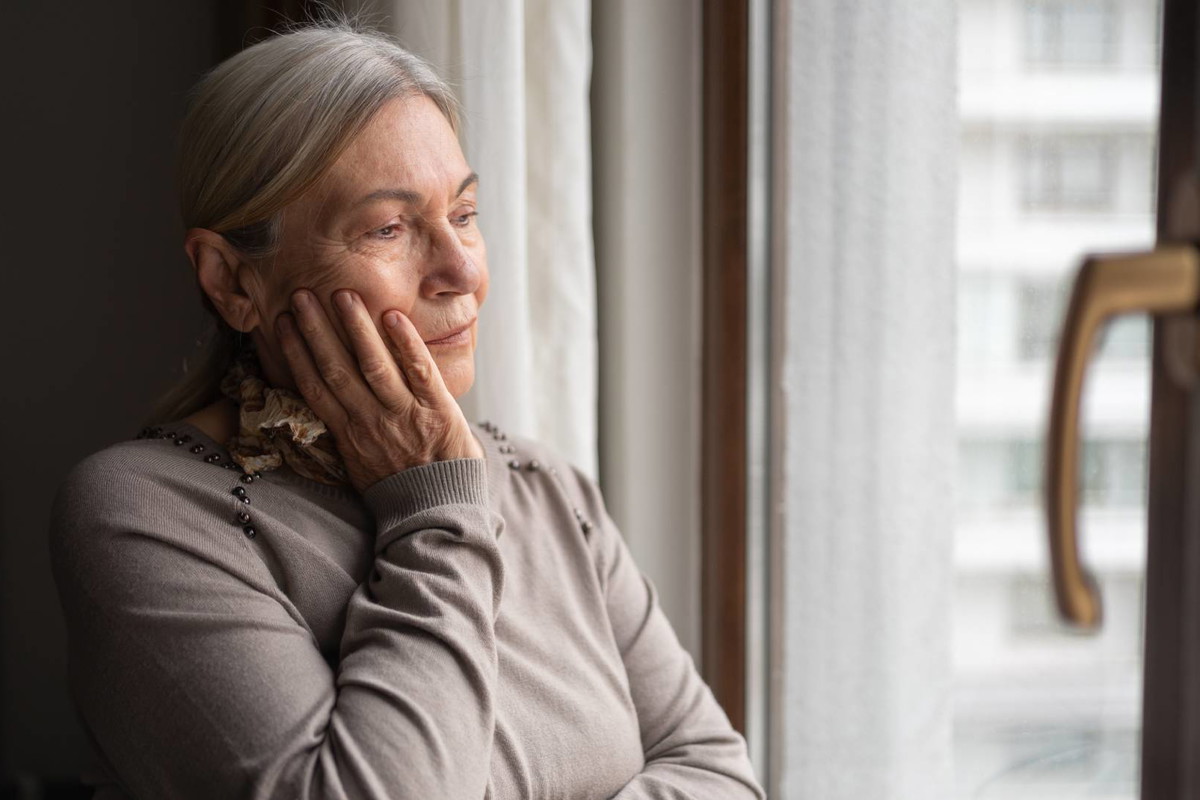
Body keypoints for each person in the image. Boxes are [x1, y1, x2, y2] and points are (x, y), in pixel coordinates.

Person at [48, 20, 764, 800]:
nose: (462, 271)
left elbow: (721, 772)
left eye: (463, 214)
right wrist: (434, 509)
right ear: (230, 281)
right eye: (388, 228)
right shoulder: (143, 514)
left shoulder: (543, 486)